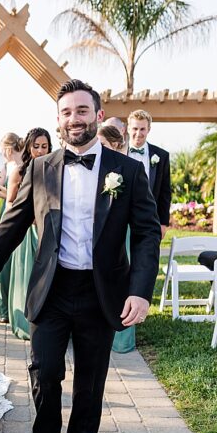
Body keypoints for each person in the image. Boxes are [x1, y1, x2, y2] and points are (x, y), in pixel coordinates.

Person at [0, 79, 161, 433]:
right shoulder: (40, 168)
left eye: (82, 110)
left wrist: (140, 290)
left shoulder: (128, 171)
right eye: (66, 112)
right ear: (58, 119)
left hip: (101, 292)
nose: (74, 119)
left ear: (98, 115)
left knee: (90, 382)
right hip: (53, 287)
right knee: (43, 371)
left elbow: (148, 234)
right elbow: (12, 225)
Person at [4, 128, 52, 341]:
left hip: (47, 231)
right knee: (27, 276)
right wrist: (26, 219)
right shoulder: (19, 171)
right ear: (28, 147)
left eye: (44, 146)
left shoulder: (54, 169)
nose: (40, 151)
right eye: (36, 146)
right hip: (27, 231)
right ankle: (25, 323)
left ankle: (48, 323)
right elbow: (10, 203)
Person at [98, 125, 136, 353]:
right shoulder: (99, 167)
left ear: (114, 144)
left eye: (102, 144)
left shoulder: (129, 169)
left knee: (122, 277)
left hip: (124, 231)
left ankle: (122, 337)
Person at [0, 133, 25, 320]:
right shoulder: (7, 166)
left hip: (13, 212)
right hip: (7, 211)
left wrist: (4, 193)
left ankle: (9, 307)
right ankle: (5, 307)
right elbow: (5, 190)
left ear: (8, 149)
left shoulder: (20, 166)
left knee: (9, 261)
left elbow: (17, 196)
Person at [127, 109, 171, 238]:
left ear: (149, 129)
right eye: (135, 128)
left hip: (149, 221)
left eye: (142, 129)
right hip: (121, 220)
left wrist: (163, 223)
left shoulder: (161, 156)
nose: (138, 133)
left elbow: (165, 192)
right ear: (128, 128)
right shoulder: (117, 152)